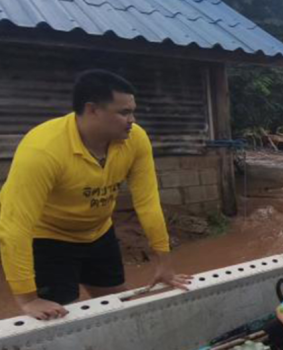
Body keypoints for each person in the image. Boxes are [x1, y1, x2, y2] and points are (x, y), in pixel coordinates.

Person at [0, 70, 190, 321]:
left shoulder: (135, 139)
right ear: (92, 110)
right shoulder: (43, 150)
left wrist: (164, 264)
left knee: (118, 304)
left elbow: (147, 202)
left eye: (133, 111)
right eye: (123, 112)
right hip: (48, 238)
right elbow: (14, 226)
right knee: (58, 317)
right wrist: (27, 299)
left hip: (98, 232)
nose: (132, 120)